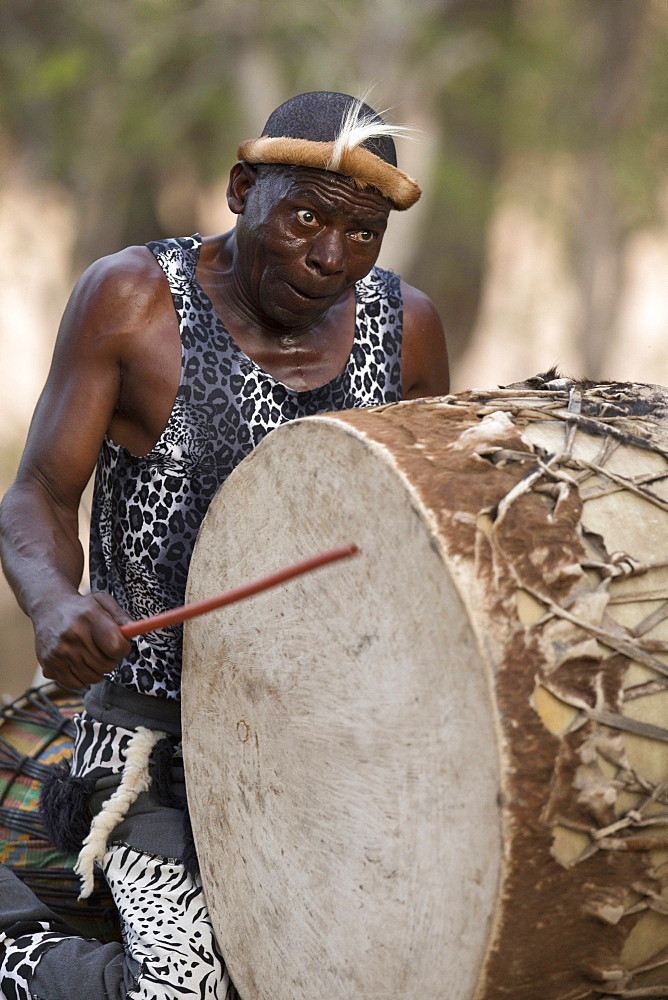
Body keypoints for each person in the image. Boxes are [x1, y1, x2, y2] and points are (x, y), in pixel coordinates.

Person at [0, 90, 450, 999]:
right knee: (186, 990)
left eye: (362, 235)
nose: (331, 257)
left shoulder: (407, 330)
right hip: (148, 741)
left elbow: (429, 532)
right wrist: (55, 603)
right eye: (306, 217)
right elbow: (38, 494)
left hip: (329, 740)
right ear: (243, 188)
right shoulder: (134, 300)